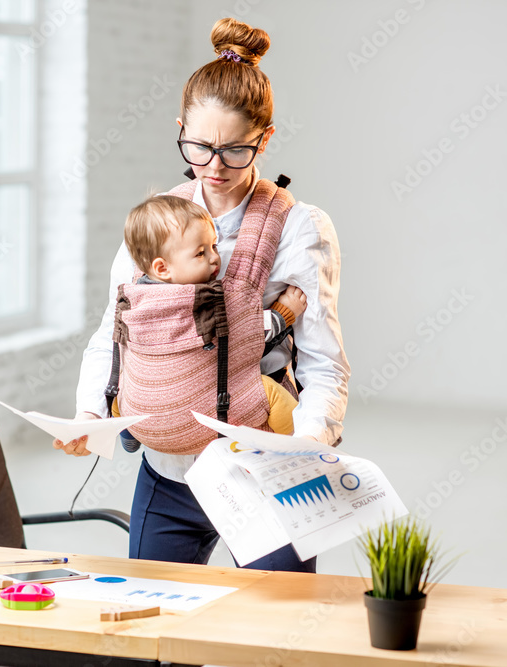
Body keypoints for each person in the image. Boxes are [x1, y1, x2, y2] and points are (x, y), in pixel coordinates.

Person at [54, 17, 351, 573]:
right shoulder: (153, 224)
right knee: (154, 637)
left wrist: (307, 443)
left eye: (235, 150)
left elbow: (326, 365)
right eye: (199, 146)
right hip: (167, 476)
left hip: (261, 474)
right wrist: (88, 412)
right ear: (180, 129)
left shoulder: (298, 227)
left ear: (265, 138)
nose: (214, 167)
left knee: (271, 642)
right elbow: (113, 333)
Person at [115, 193, 307, 443]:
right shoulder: (202, 300)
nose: (215, 257)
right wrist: (285, 312)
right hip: (208, 413)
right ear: (162, 268)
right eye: (200, 253)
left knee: (127, 379)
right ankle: (297, 444)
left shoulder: (133, 298)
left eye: (214, 246)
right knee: (270, 391)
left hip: (143, 414)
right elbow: (245, 335)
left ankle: (128, 432)